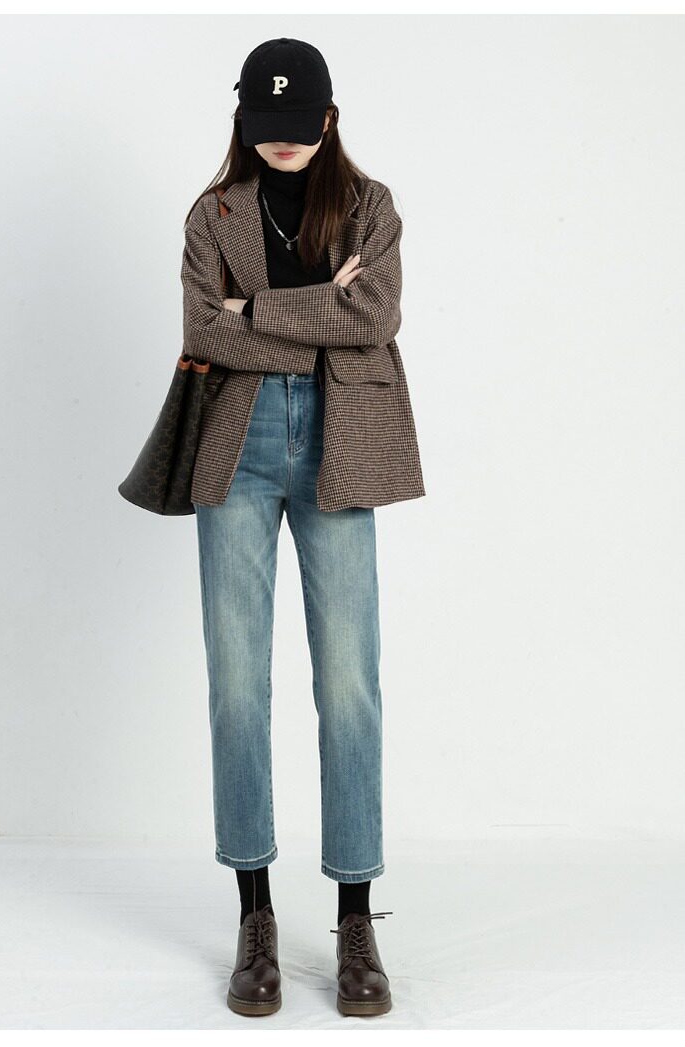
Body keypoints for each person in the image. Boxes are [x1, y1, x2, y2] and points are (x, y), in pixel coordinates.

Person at [180, 37, 426, 1017]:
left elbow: (375, 317)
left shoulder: (370, 206)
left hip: (341, 441)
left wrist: (260, 310)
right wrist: (321, 301)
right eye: (265, 125)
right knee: (238, 685)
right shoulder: (213, 214)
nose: (283, 141)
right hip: (233, 448)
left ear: (329, 116)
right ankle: (255, 916)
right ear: (244, 121)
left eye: (299, 123)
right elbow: (205, 330)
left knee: (350, 683)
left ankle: (356, 918)